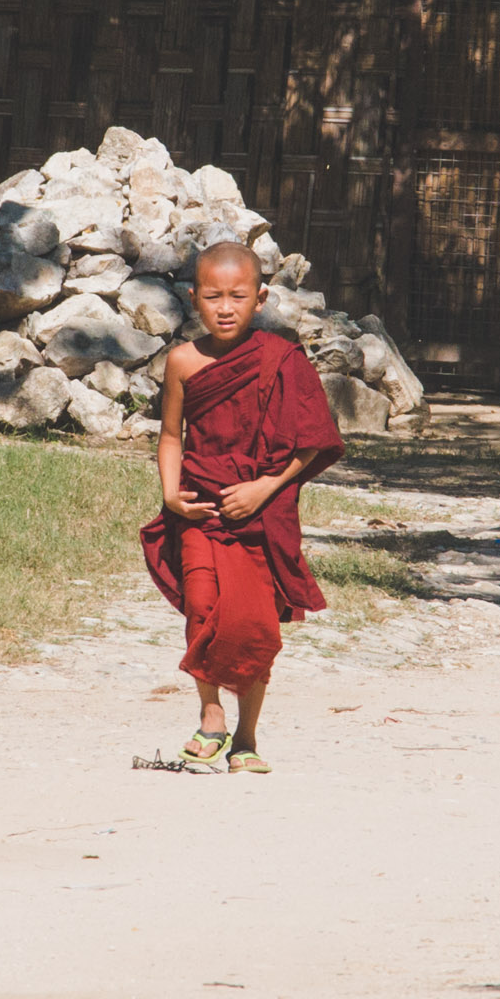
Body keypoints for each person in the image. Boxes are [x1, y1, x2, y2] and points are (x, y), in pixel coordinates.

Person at [140, 242, 344, 772]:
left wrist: (264, 487)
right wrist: (169, 494)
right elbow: (169, 436)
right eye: (212, 297)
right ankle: (211, 717)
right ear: (193, 299)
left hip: (260, 512)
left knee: (254, 625)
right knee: (203, 605)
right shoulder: (184, 361)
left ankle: (246, 738)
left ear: (261, 297)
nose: (225, 308)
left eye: (237, 296)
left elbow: (312, 443)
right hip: (200, 508)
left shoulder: (282, 359)